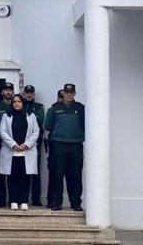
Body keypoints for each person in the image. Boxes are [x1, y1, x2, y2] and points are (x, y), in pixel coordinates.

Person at [44, 83, 85, 212]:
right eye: (66, 92)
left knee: (75, 176)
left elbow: (87, 125)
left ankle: (76, 203)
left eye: (71, 93)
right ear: (63, 94)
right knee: (57, 175)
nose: (68, 95)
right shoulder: (55, 108)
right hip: (58, 145)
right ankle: (57, 202)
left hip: (75, 145)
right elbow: (47, 125)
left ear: (74, 94)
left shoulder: (80, 108)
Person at [0, 94, 40, 210]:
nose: (17, 103)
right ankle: (13, 200)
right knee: (12, 176)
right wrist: (13, 144)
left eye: (19, 101)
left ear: (23, 103)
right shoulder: (6, 116)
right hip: (11, 150)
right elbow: (3, 131)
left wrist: (26, 145)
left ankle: (24, 201)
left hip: (26, 150)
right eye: (14, 102)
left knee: (25, 176)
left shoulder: (31, 116)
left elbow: (36, 132)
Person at [0, 82, 15, 208]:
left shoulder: (16, 105)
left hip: (15, 145)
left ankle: (12, 199)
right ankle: (1, 199)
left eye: (10, 90)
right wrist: (3, 136)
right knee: (0, 172)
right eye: (5, 90)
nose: (8, 92)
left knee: (13, 172)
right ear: (2, 92)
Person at [22, 85, 45, 206]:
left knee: (35, 172)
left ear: (34, 94)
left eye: (31, 92)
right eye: (27, 92)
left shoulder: (39, 107)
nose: (29, 94)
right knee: (22, 172)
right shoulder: (20, 105)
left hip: (35, 143)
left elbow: (40, 122)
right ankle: (23, 198)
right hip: (21, 144)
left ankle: (36, 199)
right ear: (24, 93)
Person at [45, 89, 64, 208]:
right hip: (54, 146)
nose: (62, 98)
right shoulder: (52, 109)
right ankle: (51, 200)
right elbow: (47, 126)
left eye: (63, 96)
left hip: (68, 145)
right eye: (60, 96)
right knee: (54, 175)